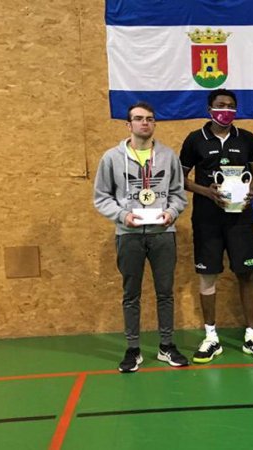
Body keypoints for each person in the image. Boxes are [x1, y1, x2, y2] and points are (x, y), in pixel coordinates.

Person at [93, 101, 189, 373]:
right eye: (138, 118)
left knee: (165, 292)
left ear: (154, 123)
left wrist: (172, 212)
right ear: (128, 125)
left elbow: (178, 194)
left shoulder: (168, 156)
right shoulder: (112, 158)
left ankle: (166, 345)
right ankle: (133, 349)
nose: (144, 122)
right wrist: (122, 216)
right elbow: (101, 197)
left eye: (149, 118)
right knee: (131, 294)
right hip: (129, 234)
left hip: (163, 234)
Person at [179, 89, 253, 362]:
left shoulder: (247, 139)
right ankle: (211, 337)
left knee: (246, 273)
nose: (226, 110)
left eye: (231, 106)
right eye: (221, 105)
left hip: (240, 218)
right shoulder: (195, 139)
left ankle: (252, 336)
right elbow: (181, 179)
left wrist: (250, 191)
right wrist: (206, 192)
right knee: (207, 275)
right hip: (206, 219)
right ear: (209, 109)